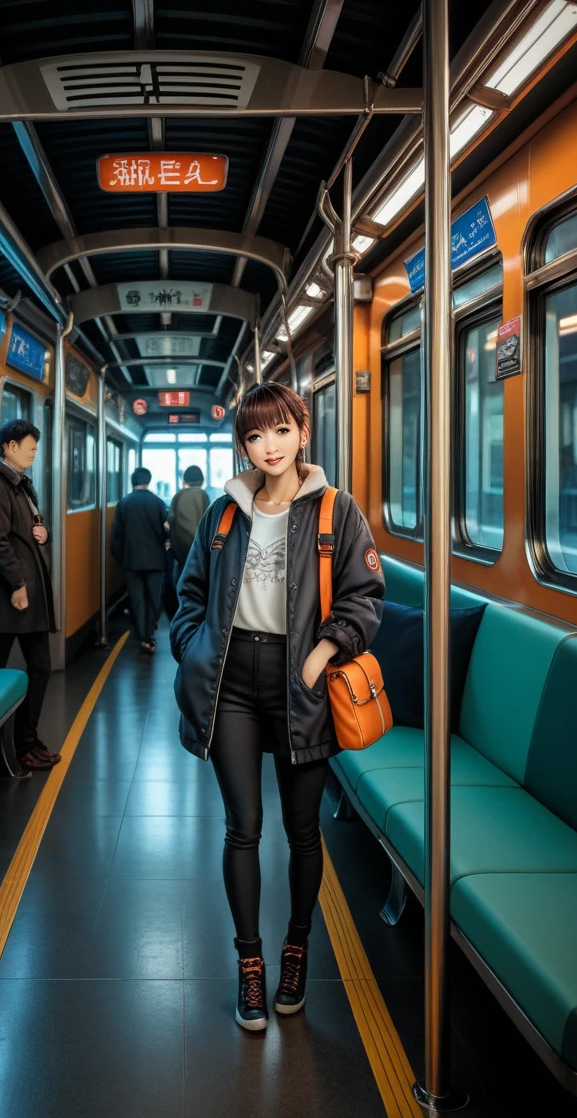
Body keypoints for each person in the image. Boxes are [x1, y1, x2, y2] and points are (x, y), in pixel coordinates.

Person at [170, 382, 384, 1031]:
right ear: (244, 444)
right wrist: (196, 649)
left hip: (302, 681)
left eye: (281, 430)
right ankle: (250, 964)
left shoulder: (335, 511)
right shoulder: (224, 514)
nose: (269, 445)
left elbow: (365, 595)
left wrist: (323, 656)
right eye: (255, 435)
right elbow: (189, 595)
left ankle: (297, 950)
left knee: (302, 831)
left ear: (303, 433)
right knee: (243, 827)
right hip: (230, 683)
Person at [0, 419, 61, 772]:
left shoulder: (20, 485)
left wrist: (45, 533)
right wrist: (18, 585)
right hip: (6, 598)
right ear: (9, 446)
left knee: (40, 668)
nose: (34, 451)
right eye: (29, 445)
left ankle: (27, 741)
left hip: (27, 597)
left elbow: (30, 527)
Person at [111, 467, 168, 654]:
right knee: (154, 598)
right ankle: (149, 634)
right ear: (148, 481)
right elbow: (166, 530)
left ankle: (143, 637)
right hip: (155, 560)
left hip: (131, 561)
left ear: (132, 481)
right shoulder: (158, 503)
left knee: (137, 600)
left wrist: (121, 559)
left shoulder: (124, 503)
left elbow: (116, 537)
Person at [168, 464, 211, 573]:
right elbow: (209, 521)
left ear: (185, 480)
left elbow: (171, 520)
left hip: (181, 547)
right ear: (201, 480)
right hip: (200, 547)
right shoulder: (203, 495)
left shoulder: (178, 496)